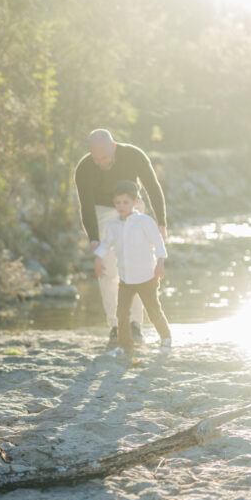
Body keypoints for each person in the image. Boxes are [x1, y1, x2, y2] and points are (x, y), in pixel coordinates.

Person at [75, 129, 167, 345]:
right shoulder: (85, 168)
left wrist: (161, 223)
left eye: (105, 157)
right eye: (95, 158)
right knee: (108, 272)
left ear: (113, 146)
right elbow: (86, 206)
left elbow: (153, 187)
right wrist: (94, 240)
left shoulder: (134, 155)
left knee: (136, 267)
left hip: (133, 209)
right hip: (101, 211)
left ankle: (135, 325)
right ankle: (116, 326)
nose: (100, 162)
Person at [94, 180, 171, 357]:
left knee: (153, 310)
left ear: (135, 203)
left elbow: (158, 244)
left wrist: (160, 263)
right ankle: (125, 346)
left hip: (146, 276)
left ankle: (165, 338)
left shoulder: (145, 221)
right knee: (121, 314)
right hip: (126, 278)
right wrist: (98, 259)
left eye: (126, 202)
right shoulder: (113, 225)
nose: (121, 206)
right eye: (118, 203)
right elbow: (106, 244)